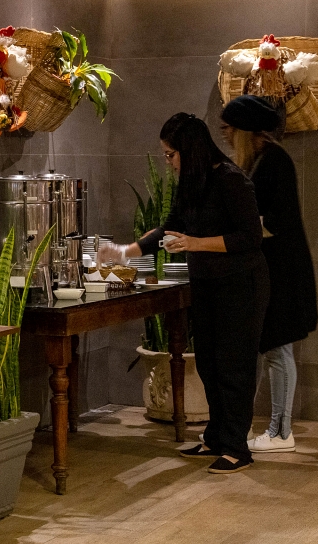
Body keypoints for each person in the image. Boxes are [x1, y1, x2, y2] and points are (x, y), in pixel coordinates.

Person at [99, 113, 268, 474]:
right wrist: (126, 251)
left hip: (240, 284)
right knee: (208, 362)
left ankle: (237, 448)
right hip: (206, 283)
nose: (168, 161)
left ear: (189, 151)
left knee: (233, 366)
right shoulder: (192, 182)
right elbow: (170, 227)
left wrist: (195, 243)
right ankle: (217, 438)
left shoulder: (231, 180)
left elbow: (249, 238)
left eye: (171, 154)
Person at [221, 95, 318, 453]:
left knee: (279, 348)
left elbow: (276, 220)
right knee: (274, 349)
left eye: (229, 128)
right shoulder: (262, 161)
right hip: (273, 269)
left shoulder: (274, 161)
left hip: (283, 272)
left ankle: (281, 432)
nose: (225, 135)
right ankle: (265, 429)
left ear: (245, 130)